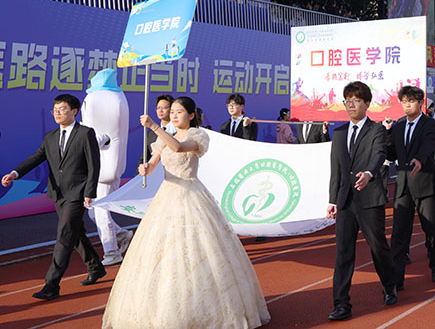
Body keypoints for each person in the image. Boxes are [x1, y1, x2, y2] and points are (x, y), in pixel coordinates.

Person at [101, 97, 270, 328]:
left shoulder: (196, 135)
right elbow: (152, 165)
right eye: (172, 111)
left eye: (179, 111)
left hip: (191, 195)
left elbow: (179, 148)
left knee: (196, 248)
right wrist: (145, 168)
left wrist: (154, 126)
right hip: (166, 197)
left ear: (191, 115)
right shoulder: (163, 138)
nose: (174, 115)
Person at [2, 94, 104, 300]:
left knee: (64, 234)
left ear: (74, 111)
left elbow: (94, 165)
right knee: (75, 233)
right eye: (55, 110)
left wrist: (89, 192)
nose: (57, 113)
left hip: (77, 193)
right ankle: (95, 266)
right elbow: (36, 158)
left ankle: (51, 284)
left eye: (62, 109)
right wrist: (15, 173)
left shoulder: (85, 133)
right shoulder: (50, 137)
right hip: (58, 193)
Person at [326, 81, 396, 321]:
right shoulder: (339, 133)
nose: (351, 105)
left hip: (369, 198)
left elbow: (379, 154)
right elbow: (336, 169)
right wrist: (333, 199)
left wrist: (369, 173)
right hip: (346, 201)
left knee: (378, 247)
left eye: (356, 100)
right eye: (347, 101)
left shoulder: (376, 130)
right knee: (343, 252)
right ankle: (341, 304)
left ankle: (389, 284)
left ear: (367, 103)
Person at [384, 86, 435, 288]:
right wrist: (387, 134)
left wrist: (419, 159)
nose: (407, 105)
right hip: (403, 185)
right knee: (399, 231)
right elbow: (391, 153)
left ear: (420, 103)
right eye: (404, 101)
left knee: (431, 227)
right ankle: (397, 276)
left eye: (411, 101)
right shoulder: (399, 125)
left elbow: (429, 144)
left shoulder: (431, 124)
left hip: (425, 183)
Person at [81, 69, 133, 267]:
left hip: (105, 165)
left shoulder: (94, 98)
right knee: (93, 212)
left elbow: (96, 135)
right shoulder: (119, 97)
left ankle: (111, 251)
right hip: (107, 163)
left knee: (100, 210)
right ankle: (121, 234)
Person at [138, 95, 176, 170]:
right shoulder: (151, 134)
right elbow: (145, 158)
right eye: (158, 108)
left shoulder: (178, 131)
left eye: (164, 107)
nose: (160, 110)